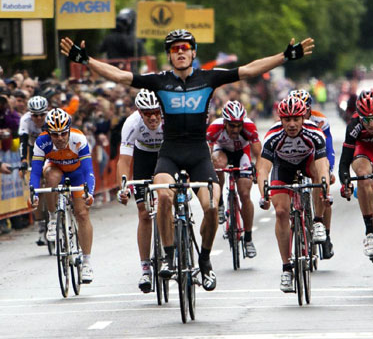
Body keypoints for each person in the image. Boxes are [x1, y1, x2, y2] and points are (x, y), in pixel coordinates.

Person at [60, 29, 314, 292]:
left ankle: (204, 261)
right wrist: (87, 60)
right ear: (169, 55)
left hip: (198, 154)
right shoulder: (159, 81)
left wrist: (284, 56)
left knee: (212, 207)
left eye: (184, 48)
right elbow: (121, 76)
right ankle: (169, 257)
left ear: (193, 53)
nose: (180, 52)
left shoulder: (208, 78)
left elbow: (249, 70)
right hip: (169, 153)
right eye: (174, 49)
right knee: (164, 198)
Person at [256, 96, 330, 292]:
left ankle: (318, 221)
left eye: (296, 119)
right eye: (286, 119)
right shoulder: (273, 136)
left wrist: (324, 186)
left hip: (308, 163)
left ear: (303, 117)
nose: (291, 124)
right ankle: (287, 268)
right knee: (281, 212)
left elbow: (323, 164)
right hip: (283, 167)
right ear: (280, 120)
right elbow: (263, 169)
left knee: (318, 175)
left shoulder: (314, 133)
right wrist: (263, 193)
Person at [29, 108, 96, 283]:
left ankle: (87, 262)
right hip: (57, 170)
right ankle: (52, 219)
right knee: (50, 176)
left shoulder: (79, 139)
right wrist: (33, 193)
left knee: (82, 213)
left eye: (63, 133)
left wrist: (90, 191)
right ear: (48, 132)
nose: (59, 138)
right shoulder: (42, 142)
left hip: (77, 174)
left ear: (69, 130)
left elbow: (89, 169)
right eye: (54, 134)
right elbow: (35, 172)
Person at [116, 89, 164, 293]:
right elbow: (124, 161)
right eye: (147, 113)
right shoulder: (131, 124)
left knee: (166, 200)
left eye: (156, 112)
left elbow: (184, 149)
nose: (152, 117)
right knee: (144, 213)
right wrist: (123, 187)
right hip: (143, 157)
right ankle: (145, 268)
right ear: (139, 112)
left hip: (166, 155)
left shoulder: (169, 119)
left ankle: (172, 251)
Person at [206, 100, 261, 258]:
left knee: (244, 194)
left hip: (241, 153)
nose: (236, 129)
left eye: (239, 125)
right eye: (232, 125)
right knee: (218, 164)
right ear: (225, 122)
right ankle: (221, 204)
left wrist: (257, 170)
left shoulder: (249, 127)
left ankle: (248, 238)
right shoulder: (215, 127)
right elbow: (206, 154)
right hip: (221, 151)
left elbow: (259, 154)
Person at [290, 88, 335, 259]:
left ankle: (325, 231)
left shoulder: (320, 120)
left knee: (324, 191)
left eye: (305, 109)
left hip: (315, 155)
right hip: (294, 157)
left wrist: (329, 170)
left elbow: (327, 148)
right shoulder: (288, 122)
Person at [338, 89, 373, 260]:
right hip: (365, 151)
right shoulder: (354, 126)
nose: (371, 125)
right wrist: (346, 182)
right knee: (364, 177)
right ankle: (370, 232)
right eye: (366, 120)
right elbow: (344, 160)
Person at [18, 95, 49, 245]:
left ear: (46, 112)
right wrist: (23, 160)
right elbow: (22, 142)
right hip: (34, 151)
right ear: (30, 114)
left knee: (52, 179)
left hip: (50, 151)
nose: (38, 118)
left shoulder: (51, 119)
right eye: (35, 115)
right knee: (36, 189)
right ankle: (42, 226)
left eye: (42, 114)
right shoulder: (25, 120)